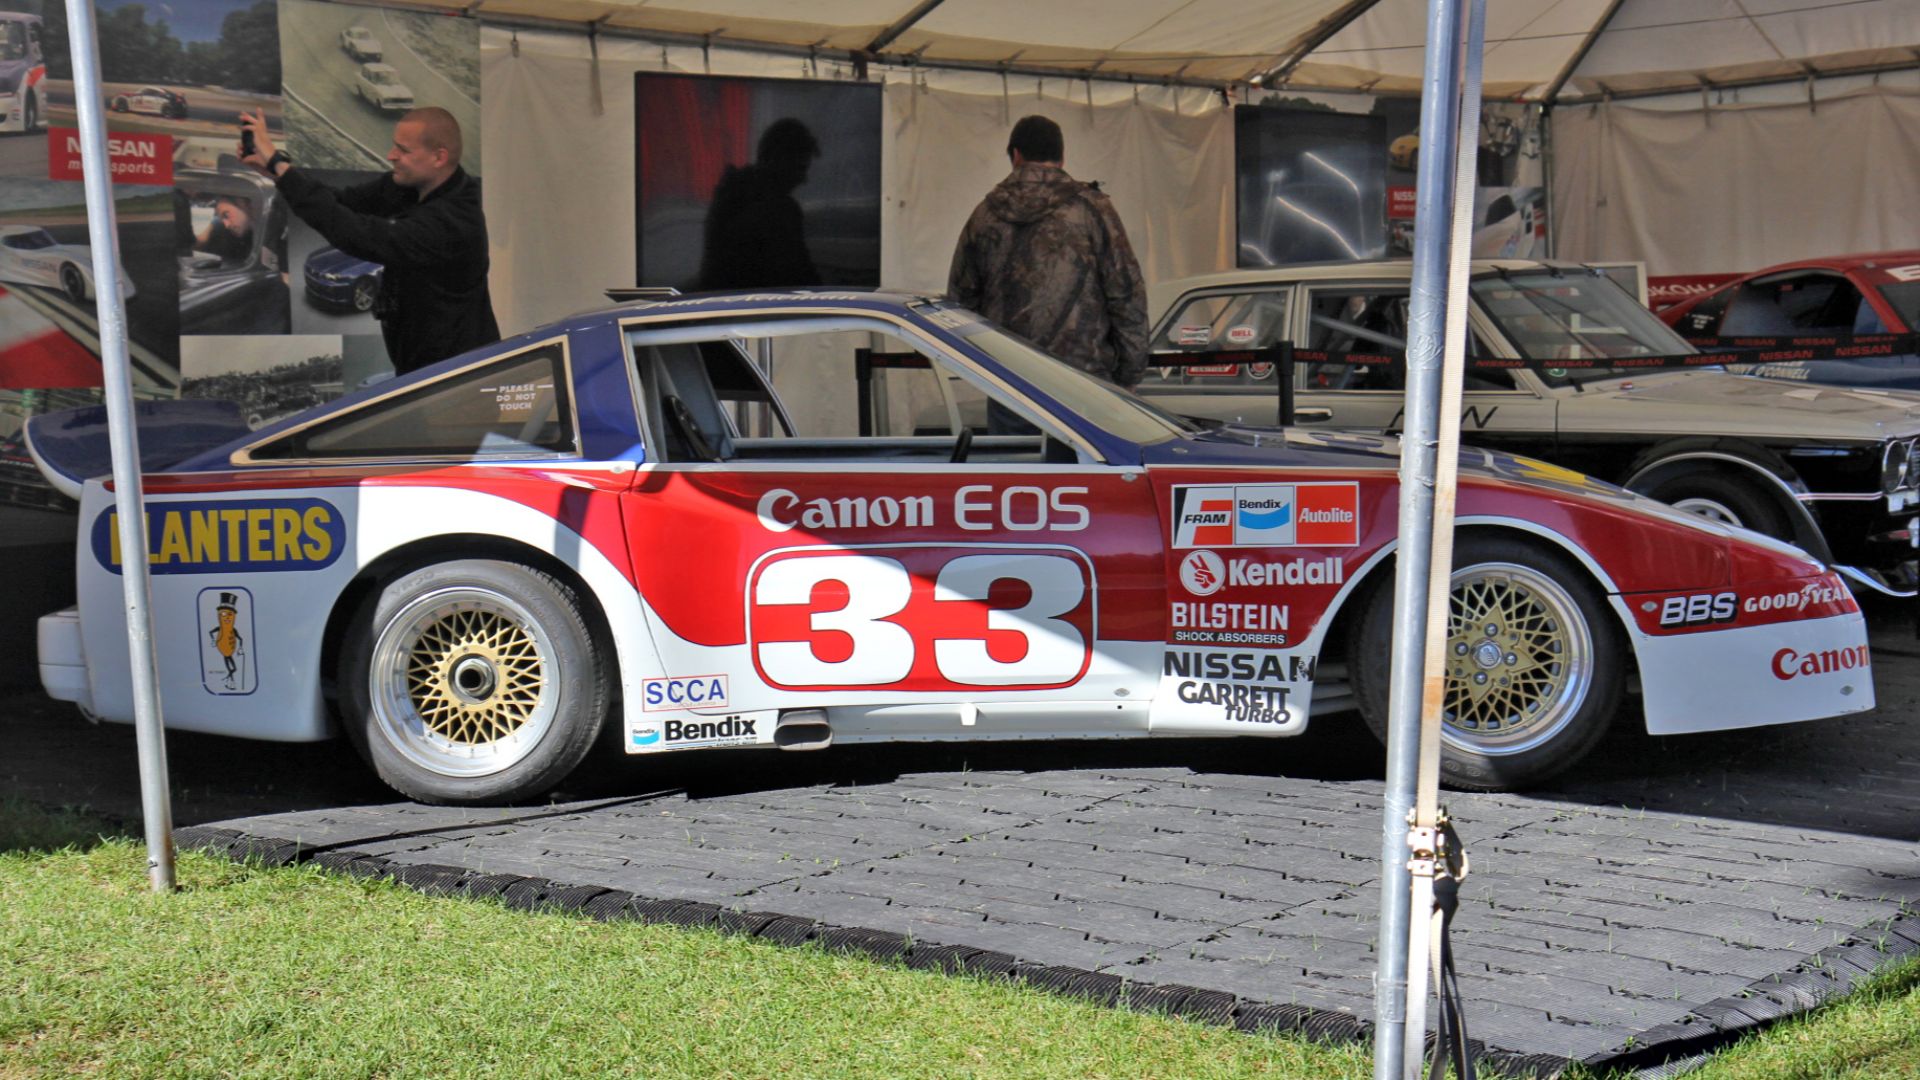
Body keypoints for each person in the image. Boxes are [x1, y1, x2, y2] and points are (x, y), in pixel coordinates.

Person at [237, 106, 498, 375]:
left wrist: (277, 163)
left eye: (404, 150)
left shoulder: (454, 222)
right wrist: (279, 175)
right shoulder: (408, 188)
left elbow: (358, 234)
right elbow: (340, 203)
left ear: (438, 157)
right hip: (421, 368)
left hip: (460, 378)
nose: (391, 156)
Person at [948, 115, 1149, 391]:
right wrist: (1129, 373)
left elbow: (960, 302)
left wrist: (982, 370)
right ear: (1062, 158)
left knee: (1014, 437)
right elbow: (1126, 293)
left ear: (1015, 155)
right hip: (1086, 381)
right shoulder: (1091, 210)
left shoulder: (984, 216)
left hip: (1009, 381)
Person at [697, 118, 821, 291]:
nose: (804, 180)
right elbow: (798, 274)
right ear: (779, 160)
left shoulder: (734, 194)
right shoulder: (777, 210)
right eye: (799, 168)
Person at [193, 196, 254, 264]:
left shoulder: (264, 237)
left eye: (226, 215)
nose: (226, 225)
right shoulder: (221, 230)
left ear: (243, 205)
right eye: (221, 218)